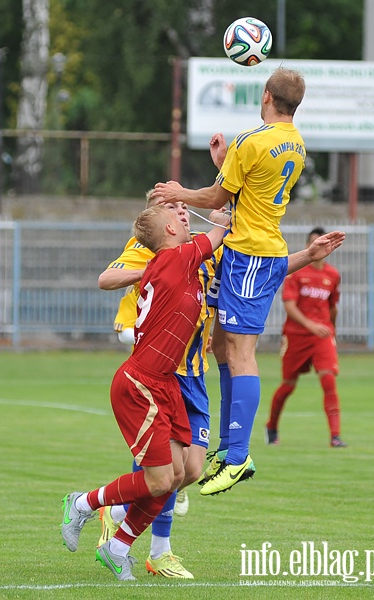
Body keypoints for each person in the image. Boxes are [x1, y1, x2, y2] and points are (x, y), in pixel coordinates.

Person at [152, 66, 310, 495]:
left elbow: (218, 198)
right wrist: (226, 163)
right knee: (221, 343)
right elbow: (251, 187)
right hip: (256, 250)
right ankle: (228, 448)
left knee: (240, 353)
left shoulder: (251, 140)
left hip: (251, 255)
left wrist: (177, 192)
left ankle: (238, 456)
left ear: (265, 95)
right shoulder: (294, 142)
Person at [60, 204, 230, 582]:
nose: (186, 217)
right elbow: (220, 230)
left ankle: (117, 547)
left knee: (177, 475)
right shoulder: (175, 257)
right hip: (141, 383)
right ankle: (84, 502)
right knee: (158, 480)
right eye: (179, 214)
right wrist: (232, 206)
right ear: (170, 229)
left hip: (166, 381)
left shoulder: (173, 262)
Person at [266, 227, 347, 448]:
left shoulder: (333, 275)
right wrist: (311, 325)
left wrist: (332, 331)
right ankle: (271, 426)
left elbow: (333, 308)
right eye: (315, 242)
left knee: (328, 379)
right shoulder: (296, 274)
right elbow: (290, 306)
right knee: (288, 385)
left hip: (321, 336)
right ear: (308, 245)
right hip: (296, 336)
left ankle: (335, 436)